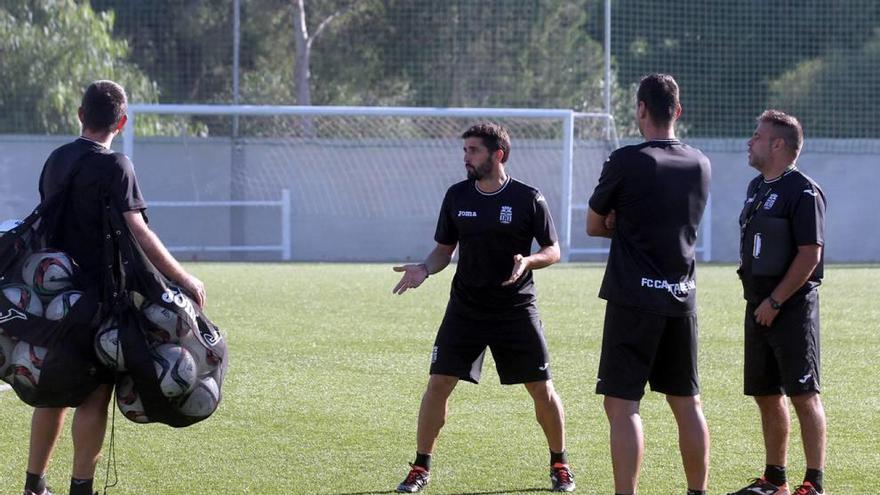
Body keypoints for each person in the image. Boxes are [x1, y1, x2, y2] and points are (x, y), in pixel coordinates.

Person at [22, 80, 206, 495]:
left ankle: (34, 486)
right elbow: (138, 231)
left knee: (51, 392)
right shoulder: (117, 166)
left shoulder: (56, 160)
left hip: (52, 298)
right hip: (99, 300)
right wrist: (183, 277)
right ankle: (81, 488)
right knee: (94, 395)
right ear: (120, 122)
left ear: (80, 114)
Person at [391, 122, 575, 493]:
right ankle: (420, 467)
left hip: (516, 308)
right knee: (438, 383)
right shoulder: (457, 196)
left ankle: (560, 463)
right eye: (465, 151)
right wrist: (425, 268)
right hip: (466, 308)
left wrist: (529, 261)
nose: (466, 158)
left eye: (473, 151)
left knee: (541, 389)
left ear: (498, 155)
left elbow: (553, 250)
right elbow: (444, 251)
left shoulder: (528, 198)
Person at [586, 73, 711, 495]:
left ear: (640, 109)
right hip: (681, 299)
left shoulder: (626, 160)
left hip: (633, 299)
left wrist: (620, 225)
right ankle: (697, 491)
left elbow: (592, 225)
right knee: (687, 404)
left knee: (622, 405)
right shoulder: (700, 163)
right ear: (677, 110)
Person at [726, 110, 827, 495]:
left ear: (778, 144)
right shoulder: (757, 187)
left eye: (757, 136)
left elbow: (809, 254)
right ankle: (775, 480)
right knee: (767, 393)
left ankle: (813, 483)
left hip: (791, 307)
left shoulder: (802, 191)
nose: (750, 142)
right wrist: (761, 301)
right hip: (758, 305)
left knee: (804, 394)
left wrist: (776, 300)